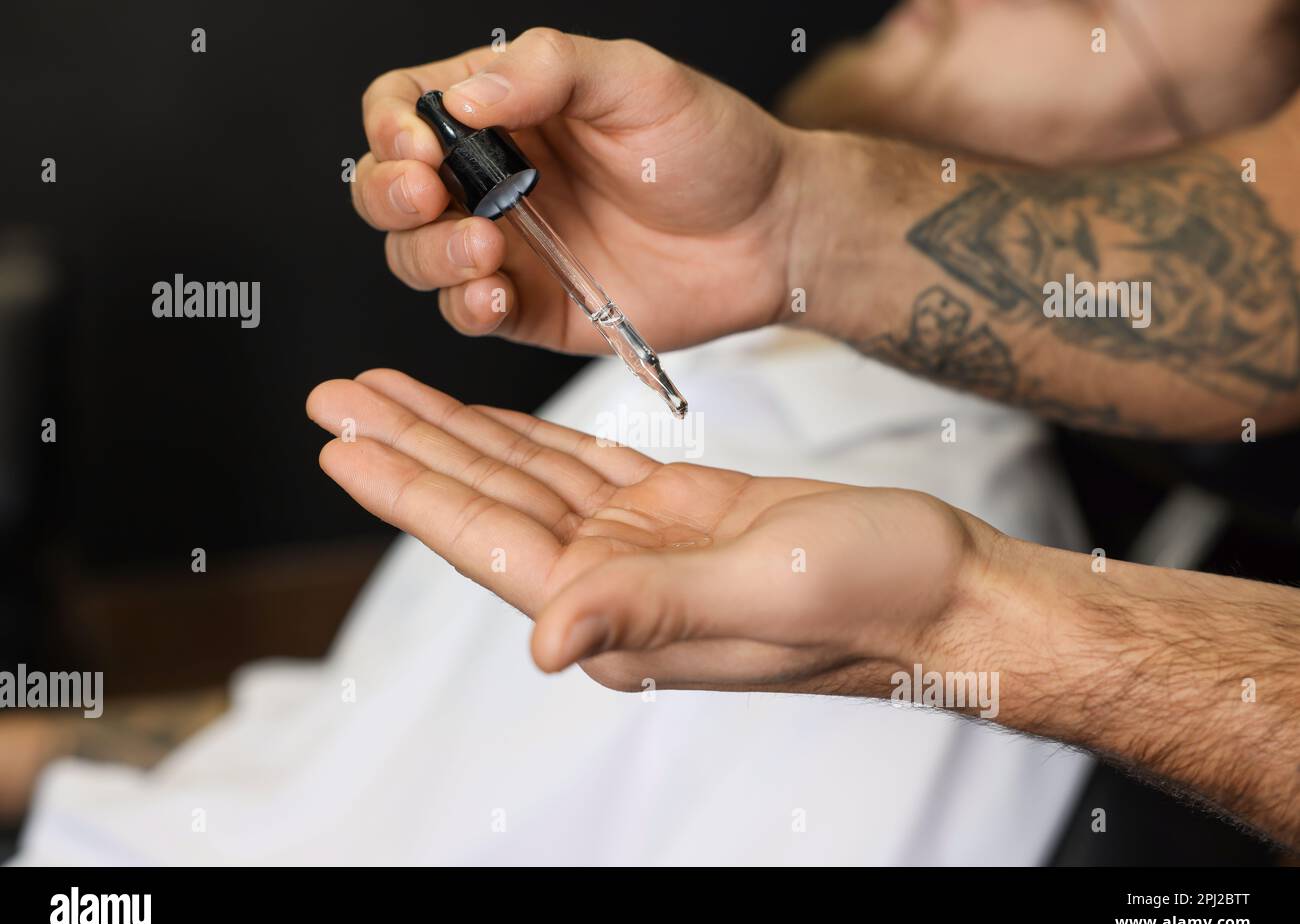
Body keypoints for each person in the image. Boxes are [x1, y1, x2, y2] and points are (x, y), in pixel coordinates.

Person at [8, 1, 1296, 864]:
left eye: (1088, 12)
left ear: (1176, 172)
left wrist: (969, 614)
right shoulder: (696, 384)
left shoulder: (843, 544)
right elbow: (363, 754)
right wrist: (47, 755)